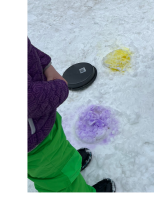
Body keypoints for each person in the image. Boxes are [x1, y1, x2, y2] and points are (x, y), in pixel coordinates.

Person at [27, 38, 116, 192]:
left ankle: (69, 161)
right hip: (35, 144)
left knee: (60, 150)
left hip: (41, 122)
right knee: (60, 181)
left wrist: (45, 65)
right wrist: (58, 89)